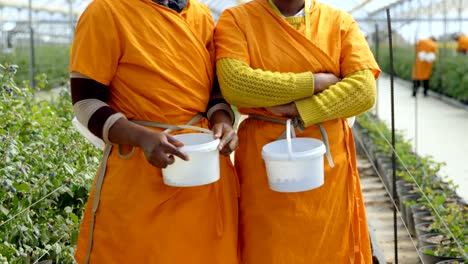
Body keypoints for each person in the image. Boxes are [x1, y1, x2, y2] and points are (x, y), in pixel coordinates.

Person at [69, 0, 240, 263]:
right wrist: (140, 137)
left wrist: (222, 120)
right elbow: (86, 103)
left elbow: (213, 90)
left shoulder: (201, 15)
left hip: (204, 170)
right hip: (139, 174)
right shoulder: (106, 11)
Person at [214, 0, 380, 263]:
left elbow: (363, 91)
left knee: (329, 243)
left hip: (327, 163)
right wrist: (315, 82)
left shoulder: (339, 22)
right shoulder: (236, 19)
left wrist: (299, 109)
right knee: (267, 245)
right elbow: (237, 84)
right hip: (264, 159)